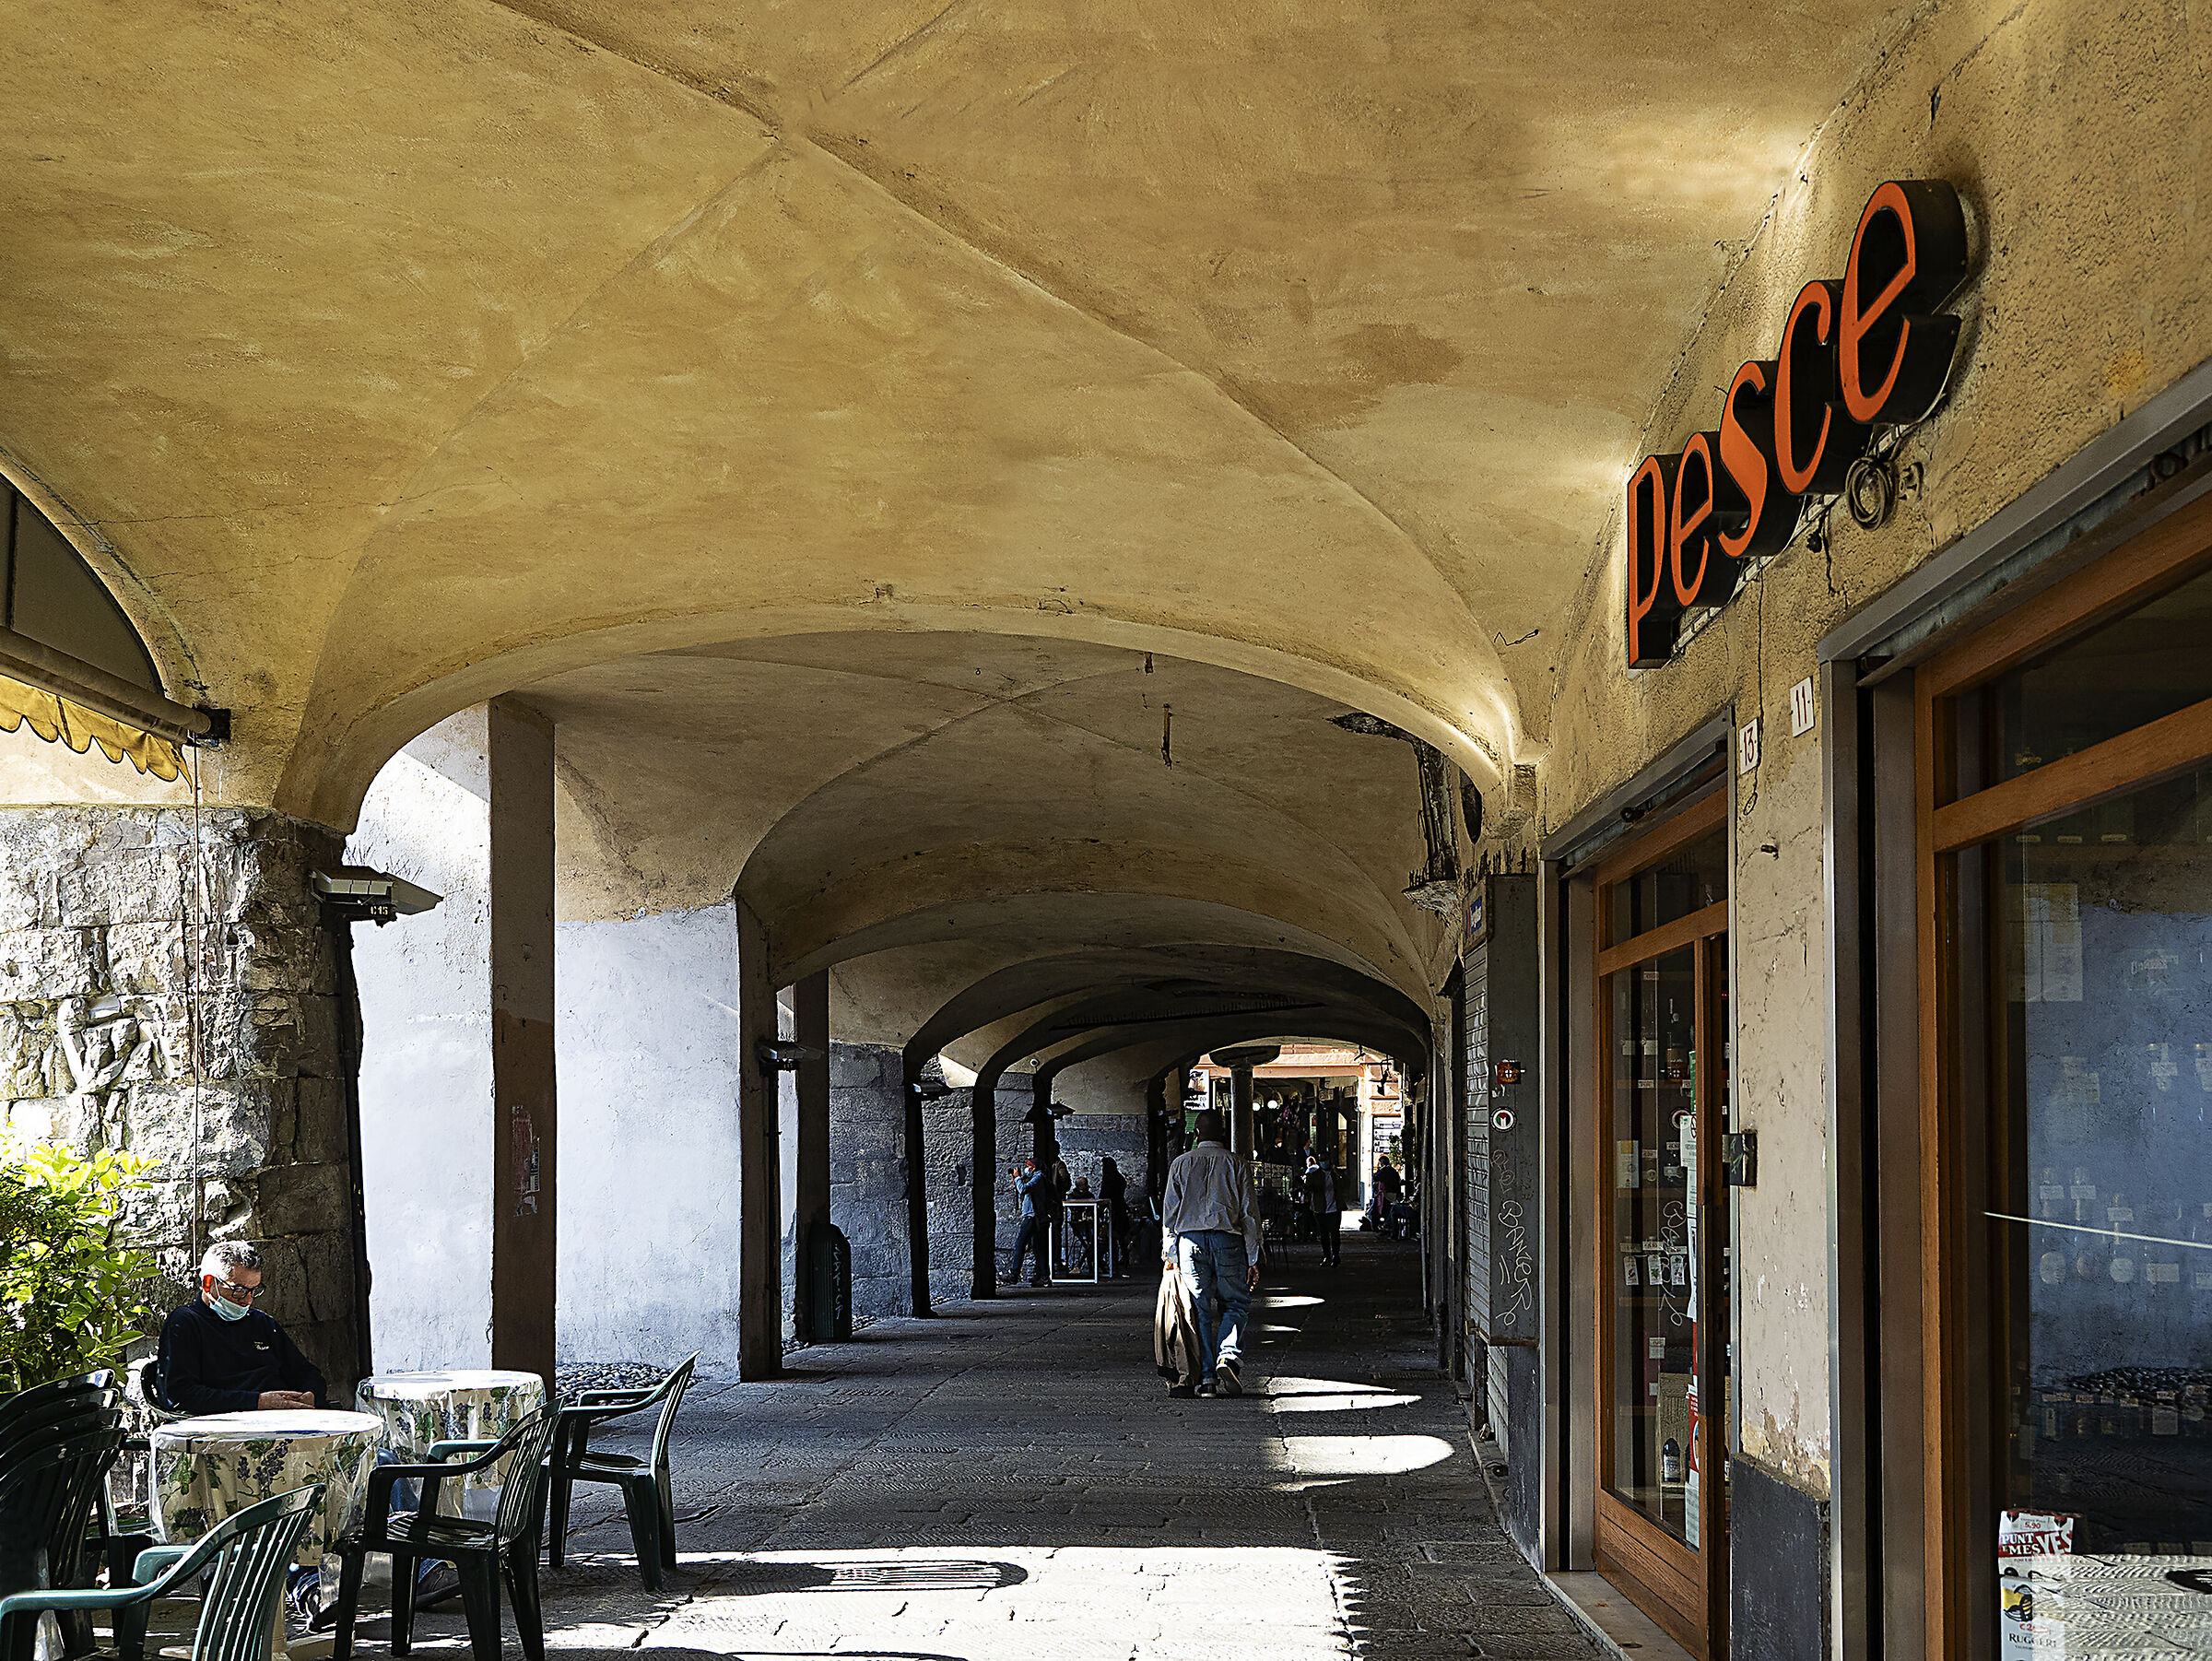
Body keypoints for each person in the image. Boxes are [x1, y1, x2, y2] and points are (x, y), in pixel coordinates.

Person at [156, 1241, 327, 1415]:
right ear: (208, 1284)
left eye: (253, 1290)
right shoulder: (185, 1322)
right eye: (238, 1290)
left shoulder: (261, 1322)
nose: (247, 1300)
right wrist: (257, 1402)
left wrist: (310, 1395)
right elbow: (178, 1395)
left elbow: (306, 1372)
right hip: (228, 1424)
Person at [1159, 1108, 1261, 1397]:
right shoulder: (1237, 1164)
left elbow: (1170, 1214)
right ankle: (1227, 1357)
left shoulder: (1180, 1164)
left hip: (1190, 1242)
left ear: (1196, 1133)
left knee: (1199, 1311)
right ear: (1224, 1133)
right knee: (1236, 1304)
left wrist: (1170, 1253)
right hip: (1229, 1241)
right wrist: (1252, 1258)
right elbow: (1249, 1215)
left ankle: (1206, 1381)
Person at [1010, 1158, 1053, 1285]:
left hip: (1032, 1217)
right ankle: (1045, 1278)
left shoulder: (1038, 1178)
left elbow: (1024, 1189)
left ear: (1033, 1168)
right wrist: (1017, 1181)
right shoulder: (1036, 1178)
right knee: (1039, 1248)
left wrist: (1018, 1178)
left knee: (1020, 1244)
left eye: (1028, 1166)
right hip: (1035, 1216)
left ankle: (1014, 1275)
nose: (1026, 1169)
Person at [1301, 1153, 1341, 1266]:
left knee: (1335, 1233)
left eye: (1325, 1160)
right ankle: (1327, 1256)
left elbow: (1344, 1184)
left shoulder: (1335, 1174)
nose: (1323, 1162)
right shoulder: (1315, 1175)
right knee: (1324, 1234)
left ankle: (1335, 1255)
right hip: (1320, 1208)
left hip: (1334, 1208)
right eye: (1321, 1160)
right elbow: (1308, 1188)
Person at [1099, 1157, 1131, 1277]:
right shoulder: (1119, 1178)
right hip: (1120, 1208)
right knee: (1121, 1238)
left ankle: (1114, 1262)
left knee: (1112, 1236)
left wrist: (1099, 1210)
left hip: (1114, 1210)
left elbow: (1104, 1195)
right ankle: (1124, 1259)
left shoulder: (1108, 1179)